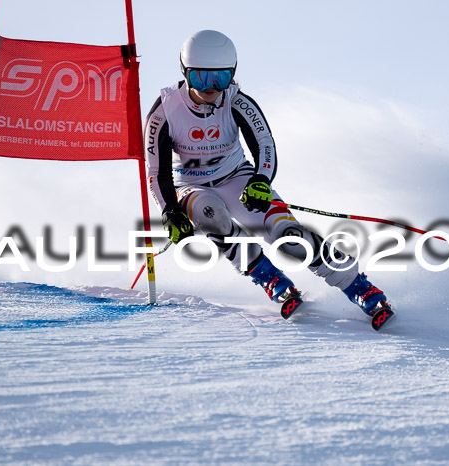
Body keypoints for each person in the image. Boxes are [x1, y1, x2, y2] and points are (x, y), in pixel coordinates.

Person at [144, 30, 393, 327]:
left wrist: (260, 180)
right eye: (200, 78)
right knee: (214, 218)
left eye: (220, 78)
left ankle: (361, 288)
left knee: (290, 239)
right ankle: (272, 281)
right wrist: (170, 212)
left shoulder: (236, 101)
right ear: (185, 73)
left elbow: (264, 145)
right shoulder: (165, 111)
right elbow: (156, 172)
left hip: (236, 176)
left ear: (232, 74)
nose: (211, 88)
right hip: (191, 186)